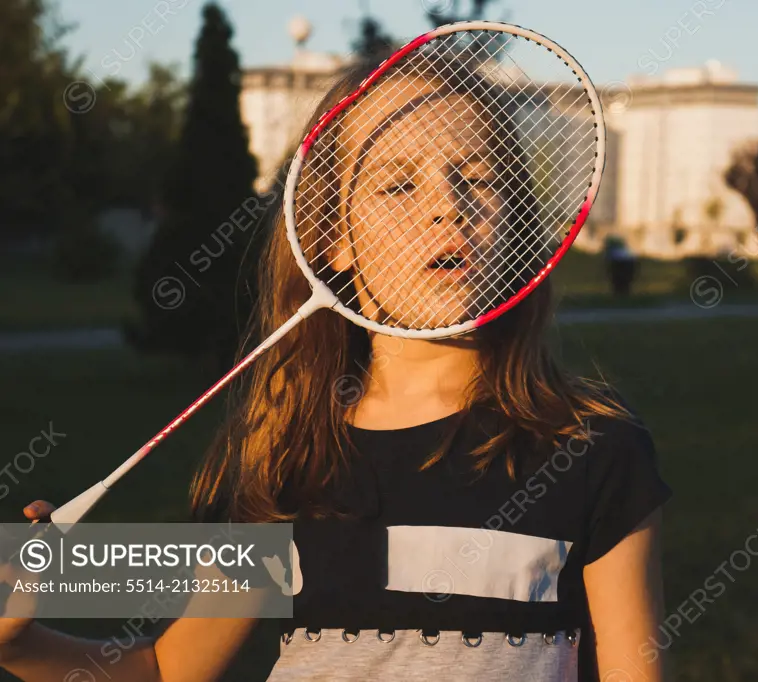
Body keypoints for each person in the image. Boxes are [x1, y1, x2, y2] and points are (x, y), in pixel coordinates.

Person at [0, 51, 672, 682]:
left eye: (478, 177)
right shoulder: (291, 448)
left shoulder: (590, 444)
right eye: (398, 184)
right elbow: (172, 669)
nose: (447, 206)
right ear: (332, 239)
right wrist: (19, 643)